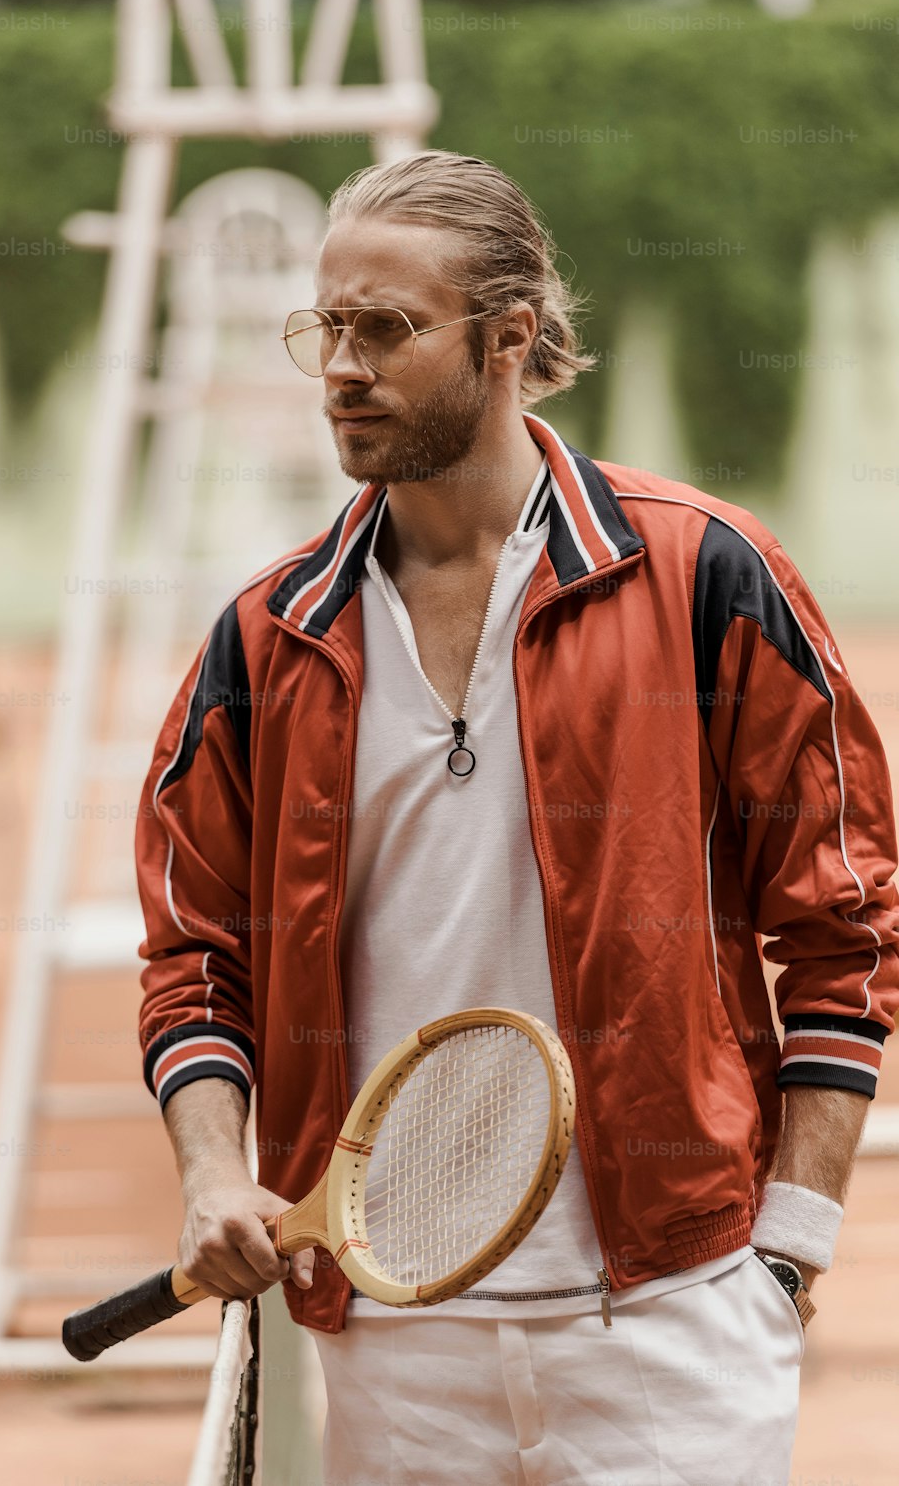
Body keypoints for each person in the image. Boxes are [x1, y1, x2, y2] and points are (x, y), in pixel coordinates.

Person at [134, 151, 899, 1486]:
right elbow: (198, 953)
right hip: (390, 1335)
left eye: (387, 328)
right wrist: (212, 1170)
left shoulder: (706, 572)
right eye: (327, 327)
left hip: (673, 1315)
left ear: (510, 339)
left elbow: (847, 916)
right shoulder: (266, 643)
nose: (341, 366)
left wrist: (790, 1244)